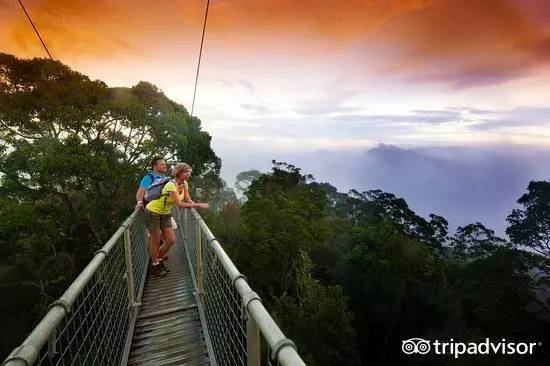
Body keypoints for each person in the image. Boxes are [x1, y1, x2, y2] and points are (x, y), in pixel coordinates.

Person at [145, 163, 209, 276]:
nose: (188, 174)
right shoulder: (171, 185)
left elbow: (187, 199)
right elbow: (179, 204)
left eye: (189, 172)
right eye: (185, 172)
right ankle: (155, 265)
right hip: (153, 212)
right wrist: (198, 205)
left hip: (165, 213)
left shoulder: (184, 184)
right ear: (178, 172)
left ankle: (157, 259)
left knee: (171, 240)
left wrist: (194, 205)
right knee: (155, 240)